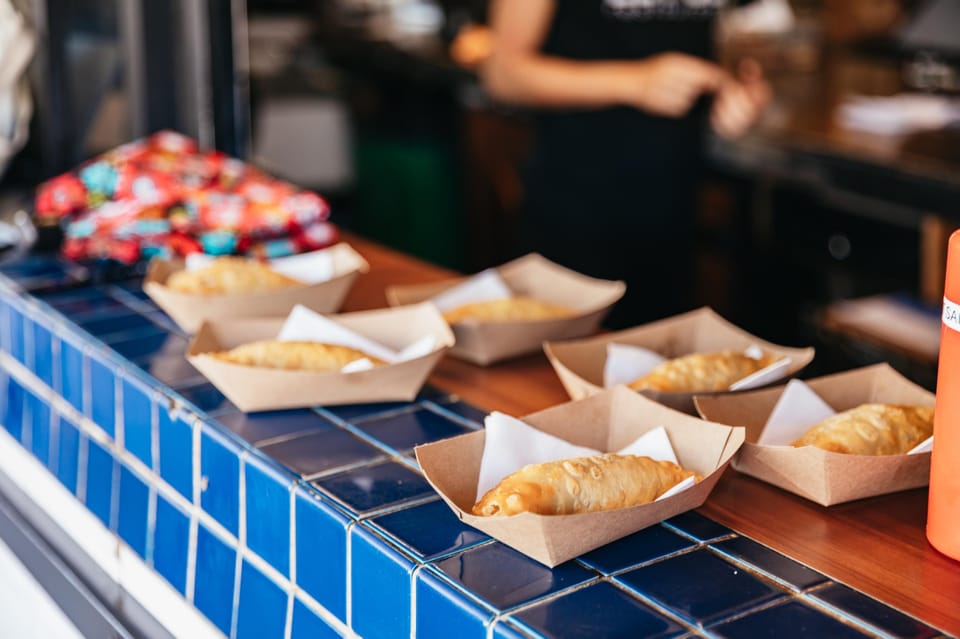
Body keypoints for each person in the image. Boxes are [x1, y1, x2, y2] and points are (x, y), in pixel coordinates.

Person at [482, 0, 769, 327]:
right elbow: (502, 73)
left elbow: (728, 45)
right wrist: (635, 82)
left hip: (677, 208)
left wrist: (734, 91)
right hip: (576, 209)